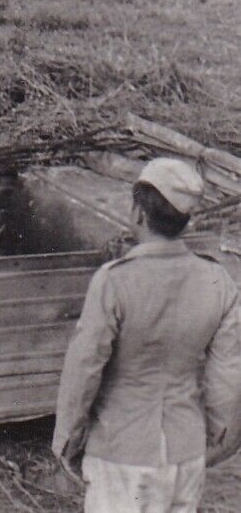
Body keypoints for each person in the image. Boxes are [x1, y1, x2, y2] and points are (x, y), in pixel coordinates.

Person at [52, 158, 241, 513]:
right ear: (186, 219)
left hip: (120, 451)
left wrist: (68, 441)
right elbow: (228, 375)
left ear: (138, 212)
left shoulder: (114, 280)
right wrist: (221, 440)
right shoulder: (218, 281)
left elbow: (84, 369)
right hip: (185, 454)